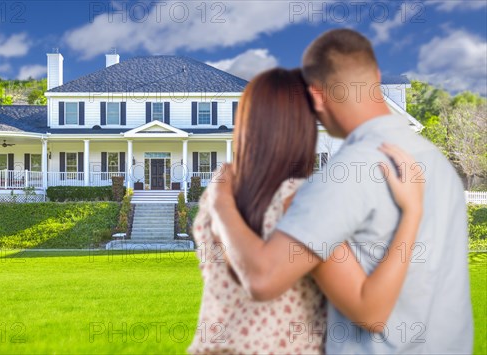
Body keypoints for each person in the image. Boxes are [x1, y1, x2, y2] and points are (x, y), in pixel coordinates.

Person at [203, 29, 473, 354]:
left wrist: (220, 203)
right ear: (374, 76)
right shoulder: (438, 164)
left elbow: (263, 278)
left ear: (316, 97)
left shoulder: (345, 176)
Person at [188, 67, 425, 354]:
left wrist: (219, 202)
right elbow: (370, 312)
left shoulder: (218, 198)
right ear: (303, 126)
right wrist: (412, 211)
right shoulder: (301, 200)